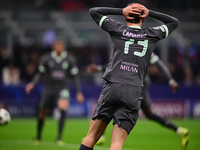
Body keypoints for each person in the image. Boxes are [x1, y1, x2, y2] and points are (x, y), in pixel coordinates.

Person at [80, 3, 180, 150]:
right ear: (143, 19)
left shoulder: (117, 29)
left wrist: (121, 11)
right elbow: (174, 22)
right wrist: (149, 12)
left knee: (91, 136)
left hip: (113, 86)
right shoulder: (152, 34)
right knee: (116, 144)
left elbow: (93, 11)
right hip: (134, 91)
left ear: (127, 18)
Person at [86, 52, 189, 149]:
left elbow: (116, 63)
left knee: (114, 104)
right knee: (149, 114)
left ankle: (101, 136)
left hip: (135, 83)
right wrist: (171, 81)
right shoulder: (146, 45)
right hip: (139, 82)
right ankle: (179, 130)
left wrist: (171, 80)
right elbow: (159, 64)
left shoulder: (137, 44)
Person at [25, 39, 84, 145]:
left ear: (63, 47)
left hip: (63, 88)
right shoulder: (46, 58)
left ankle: (59, 137)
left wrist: (78, 92)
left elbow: (75, 77)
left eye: (60, 46)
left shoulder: (70, 59)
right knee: (42, 112)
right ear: (53, 47)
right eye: (56, 46)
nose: (58, 48)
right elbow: (40, 73)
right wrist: (32, 83)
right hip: (49, 88)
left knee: (62, 107)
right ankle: (38, 136)